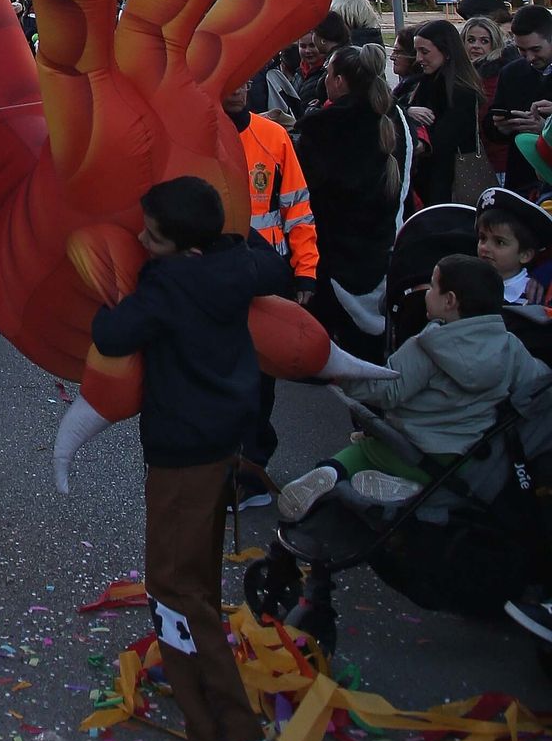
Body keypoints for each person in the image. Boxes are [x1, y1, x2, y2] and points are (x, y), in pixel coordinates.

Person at [89, 175, 290, 741]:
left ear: (182, 246)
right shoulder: (236, 267)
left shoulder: (168, 285)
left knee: (174, 591)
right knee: (196, 580)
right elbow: (274, 266)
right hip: (223, 447)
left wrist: (112, 289)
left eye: (152, 238)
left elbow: (111, 333)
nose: (142, 243)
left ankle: (226, 733)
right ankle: (204, 692)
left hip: (180, 456)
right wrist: (231, 242)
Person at [276, 253, 549, 516]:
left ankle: (332, 471)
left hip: (413, 449)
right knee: (413, 462)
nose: (427, 292)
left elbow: (388, 389)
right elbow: (537, 383)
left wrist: (343, 377)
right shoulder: (511, 347)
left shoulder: (428, 346)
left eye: (433, 286)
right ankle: (410, 488)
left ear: (449, 301)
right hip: (467, 459)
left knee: (365, 450)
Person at [220, 83, 318, 503]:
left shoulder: (273, 137)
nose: (238, 88)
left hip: (265, 281)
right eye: (230, 81)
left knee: (260, 381)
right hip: (216, 280)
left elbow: (298, 209)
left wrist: (305, 272)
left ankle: (253, 470)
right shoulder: (194, 135)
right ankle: (222, 466)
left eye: (245, 80)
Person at [294, 44, 410, 363]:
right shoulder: (397, 118)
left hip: (334, 255)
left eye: (329, 74)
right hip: (386, 246)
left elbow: (307, 193)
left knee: (339, 350)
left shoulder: (323, 128)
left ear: (339, 81)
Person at [409, 19, 485, 204]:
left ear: (446, 51)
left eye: (424, 52)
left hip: (449, 183)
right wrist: (408, 110)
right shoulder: (424, 81)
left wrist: (419, 144)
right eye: (416, 51)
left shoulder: (461, 91)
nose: (418, 58)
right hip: (427, 180)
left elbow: (445, 139)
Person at [489, 6, 552, 194]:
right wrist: (500, 127)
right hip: (521, 179)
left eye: (535, 49)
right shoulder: (511, 72)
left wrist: (546, 129)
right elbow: (493, 122)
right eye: (521, 50)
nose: (529, 57)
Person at [474, 183, 552, 309]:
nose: (484, 247)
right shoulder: (468, 286)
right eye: (482, 238)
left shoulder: (535, 296)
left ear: (525, 255)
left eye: (499, 242)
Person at [462, 14, 513, 171]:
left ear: (494, 44)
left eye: (484, 41)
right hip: (469, 161)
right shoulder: (461, 74)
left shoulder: (495, 76)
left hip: (496, 161)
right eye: (471, 40)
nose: (476, 46)